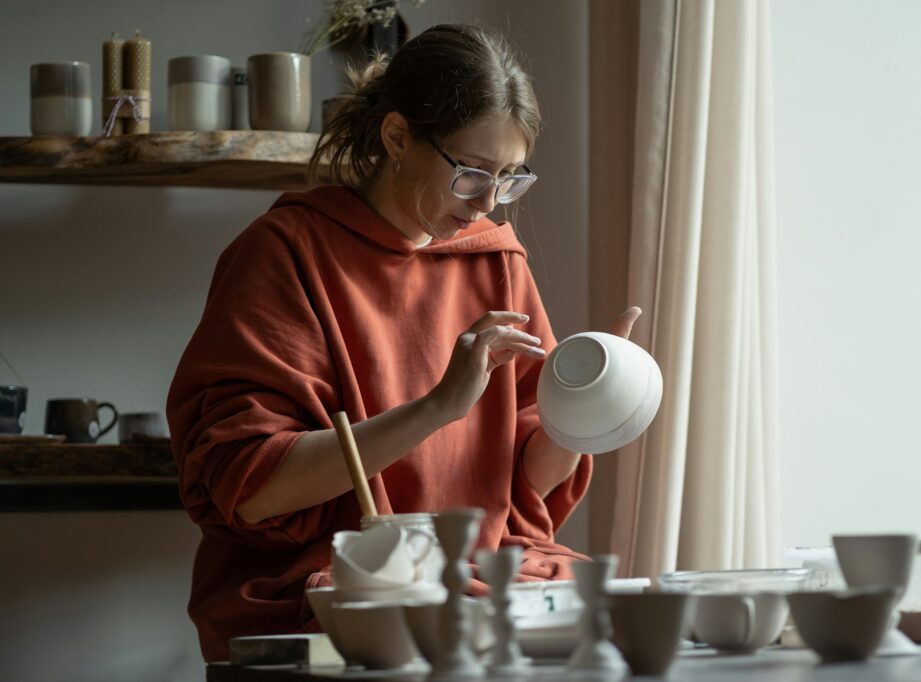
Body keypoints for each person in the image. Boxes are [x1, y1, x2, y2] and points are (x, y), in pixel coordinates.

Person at [166, 23, 640, 662]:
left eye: (509, 179)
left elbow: (523, 496)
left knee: (632, 620)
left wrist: (586, 410)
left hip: (484, 568)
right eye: (471, 174)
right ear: (397, 137)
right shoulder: (285, 253)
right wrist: (439, 406)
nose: (487, 204)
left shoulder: (496, 261)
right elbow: (251, 491)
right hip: (341, 575)